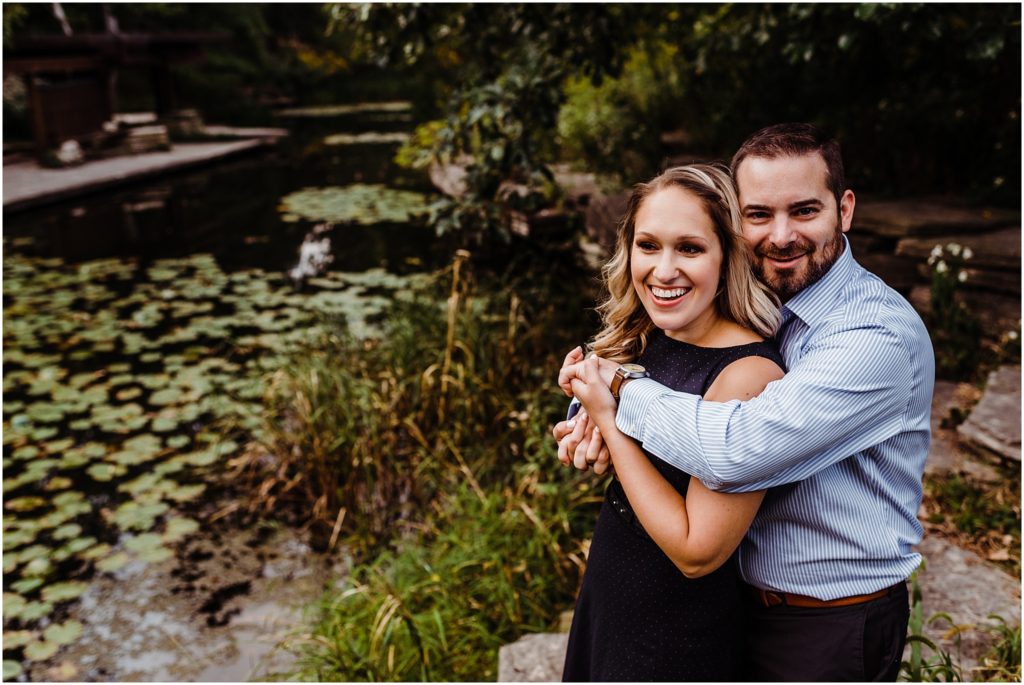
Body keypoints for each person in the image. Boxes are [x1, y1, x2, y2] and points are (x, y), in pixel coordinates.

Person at [556, 123, 934, 681]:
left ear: (845, 209)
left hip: (826, 620)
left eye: (804, 211)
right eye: (759, 214)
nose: (781, 236)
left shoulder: (875, 335)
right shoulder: (765, 302)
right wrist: (586, 416)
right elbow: (676, 382)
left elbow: (734, 448)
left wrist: (616, 397)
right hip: (737, 602)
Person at [559, 163, 785, 681]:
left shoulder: (748, 374)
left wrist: (608, 422)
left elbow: (696, 551)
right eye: (648, 245)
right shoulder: (652, 335)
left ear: (728, 255)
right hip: (613, 594)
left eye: (689, 248)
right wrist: (582, 426)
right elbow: (636, 457)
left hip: (673, 630)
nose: (663, 270)